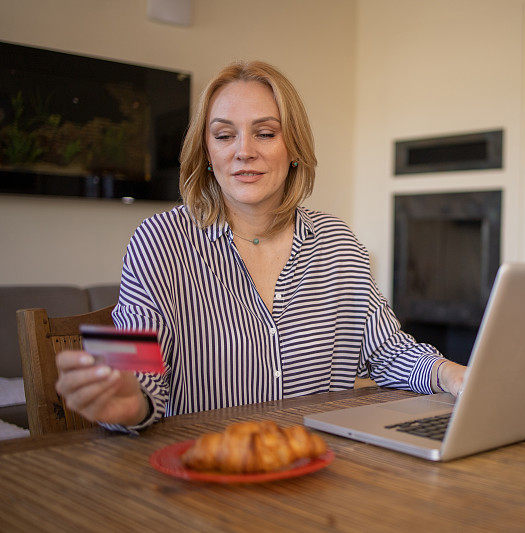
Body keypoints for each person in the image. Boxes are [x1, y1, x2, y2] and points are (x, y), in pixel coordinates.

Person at [55, 60, 467, 431]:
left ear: (293, 150)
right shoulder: (158, 240)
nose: (243, 152)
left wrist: (452, 374)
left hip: (320, 472)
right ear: (207, 152)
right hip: (205, 477)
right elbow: (134, 370)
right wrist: (126, 400)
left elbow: (389, 351)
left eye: (265, 133)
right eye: (223, 135)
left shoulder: (338, 242)